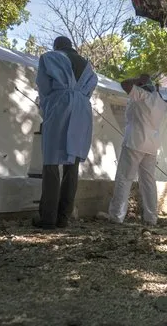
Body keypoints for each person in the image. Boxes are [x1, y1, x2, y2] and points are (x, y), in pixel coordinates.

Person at [32, 36, 98, 229]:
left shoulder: (50, 57)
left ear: (57, 46)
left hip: (60, 105)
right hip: (82, 109)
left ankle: (48, 217)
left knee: (51, 163)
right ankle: (63, 217)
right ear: (72, 47)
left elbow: (44, 88)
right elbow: (90, 88)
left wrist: (46, 107)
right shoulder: (87, 66)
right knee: (72, 165)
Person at [98, 74, 167, 226]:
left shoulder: (142, 95)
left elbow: (125, 84)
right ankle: (151, 217)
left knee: (124, 178)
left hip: (135, 142)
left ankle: (117, 216)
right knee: (148, 182)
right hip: (151, 145)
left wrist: (138, 79)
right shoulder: (161, 102)